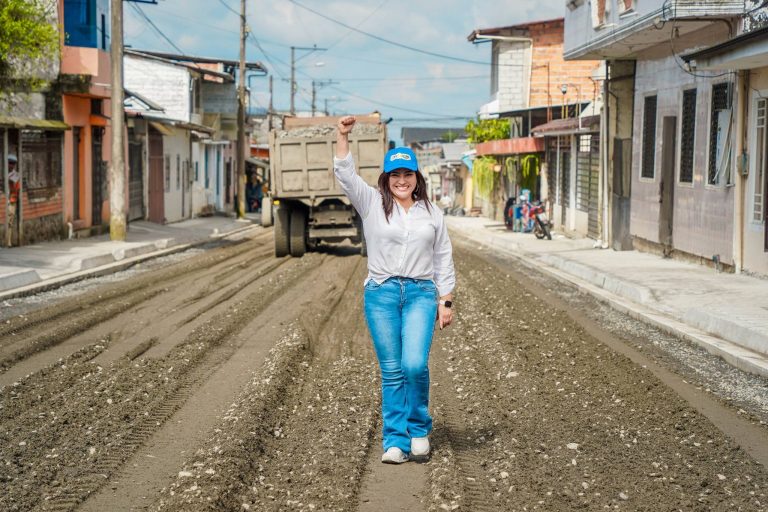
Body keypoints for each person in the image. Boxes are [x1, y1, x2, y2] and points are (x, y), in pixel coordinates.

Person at [334, 115, 455, 464]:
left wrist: (445, 300)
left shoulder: (432, 213)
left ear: (417, 178)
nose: (402, 181)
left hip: (420, 294)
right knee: (392, 370)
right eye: (395, 175)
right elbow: (344, 172)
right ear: (386, 179)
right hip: (381, 294)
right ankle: (395, 441)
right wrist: (343, 135)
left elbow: (443, 255)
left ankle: (419, 428)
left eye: (408, 174)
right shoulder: (371, 203)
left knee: (414, 363)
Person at [6, 154, 20, 245]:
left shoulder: (15, 175)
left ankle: (8, 241)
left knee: (9, 221)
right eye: (10, 163)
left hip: (11, 201)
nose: (11, 165)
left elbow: (17, 189)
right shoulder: (3, 172)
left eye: (13, 164)